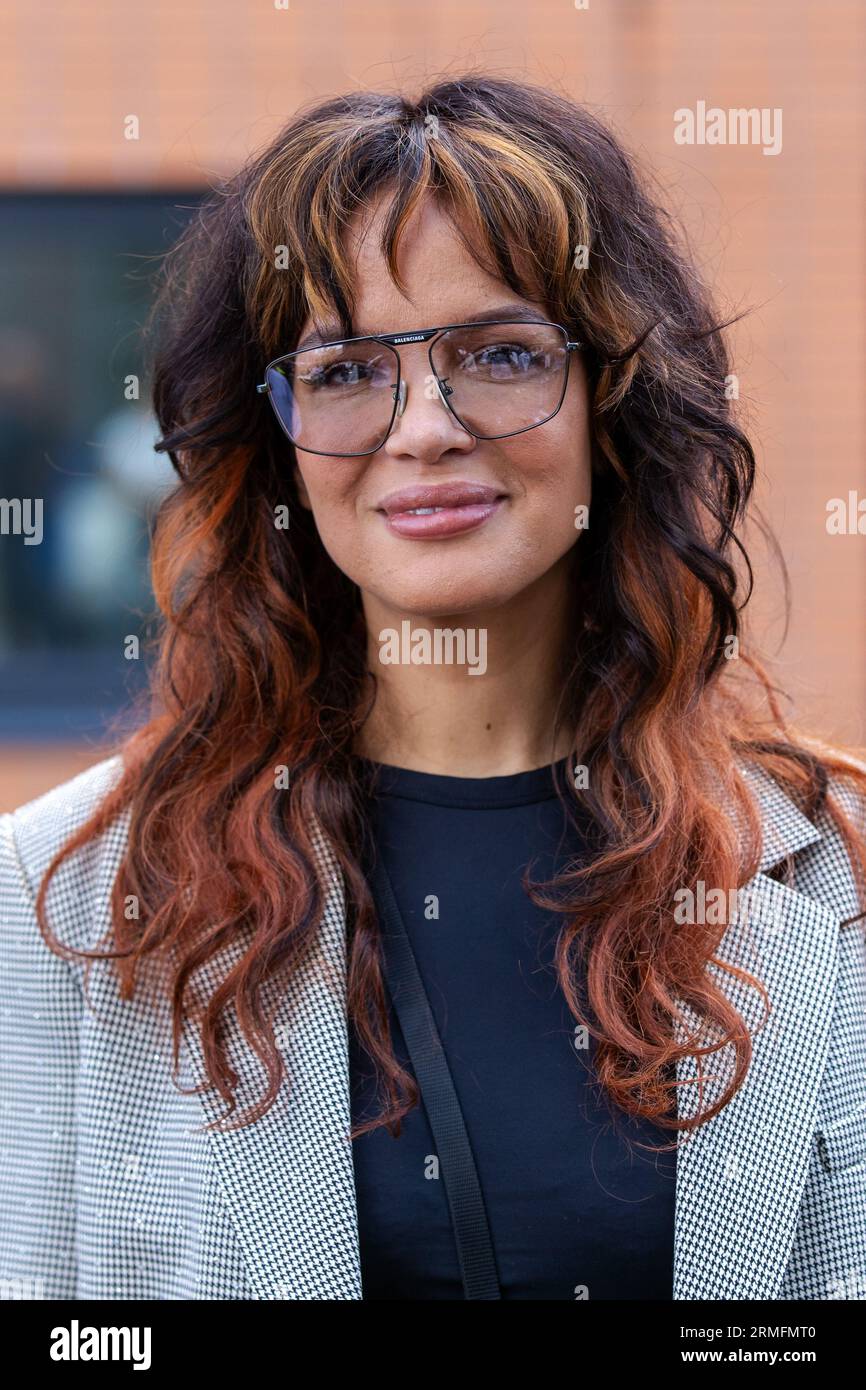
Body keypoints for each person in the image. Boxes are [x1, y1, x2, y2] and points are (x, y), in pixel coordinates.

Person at [2, 75, 865, 1302]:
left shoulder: (834, 878)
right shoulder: (58, 899)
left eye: (499, 354)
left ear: (610, 401)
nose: (424, 428)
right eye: (348, 369)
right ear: (280, 443)